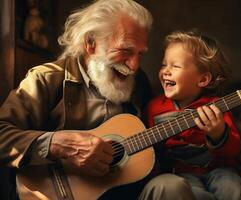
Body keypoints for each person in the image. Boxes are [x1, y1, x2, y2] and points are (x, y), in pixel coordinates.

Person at [0, 0, 153, 199]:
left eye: (140, 54)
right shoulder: (46, 78)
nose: (134, 66)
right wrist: (58, 144)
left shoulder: (140, 82)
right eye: (125, 50)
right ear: (91, 44)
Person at [139, 31, 241, 200]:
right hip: (181, 174)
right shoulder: (153, 107)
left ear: (203, 80)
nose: (166, 71)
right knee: (195, 195)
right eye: (163, 65)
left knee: (233, 188)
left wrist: (218, 133)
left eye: (175, 66)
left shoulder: (216, 106)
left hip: (220, 170)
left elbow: (233, 150)